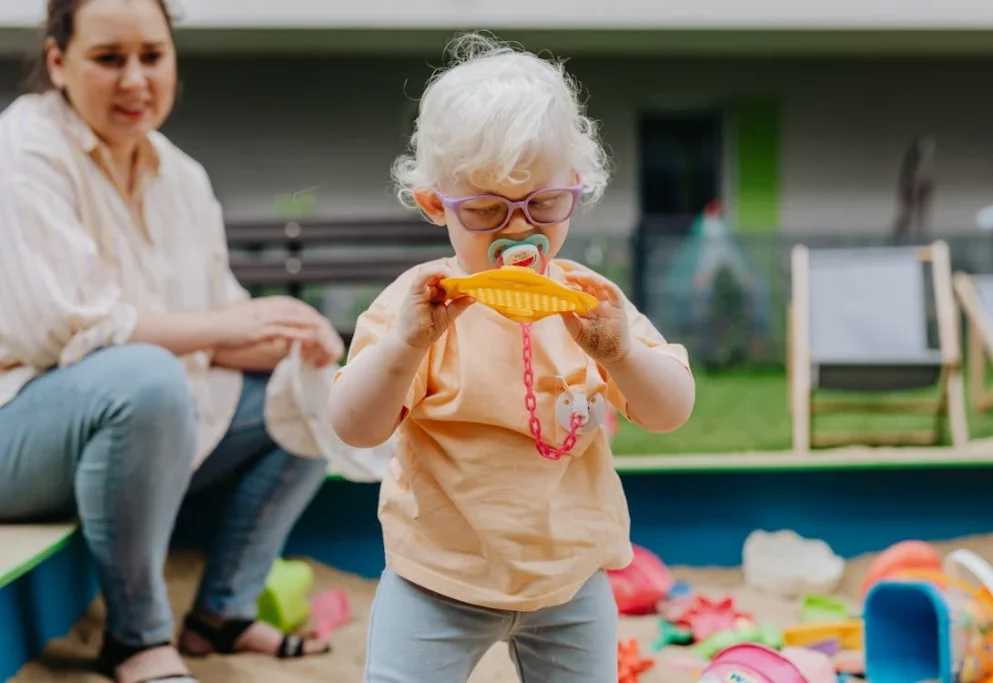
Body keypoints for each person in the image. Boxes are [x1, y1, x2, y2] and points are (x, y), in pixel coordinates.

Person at [329, 32, 697, 683]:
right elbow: (353, 424)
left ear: (577, 187)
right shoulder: (419, 307)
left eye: (545, 204)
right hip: (435, 580)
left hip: (569, 585)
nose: (519, 229)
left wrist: (619, 355)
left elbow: (671, 408)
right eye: (489, 210)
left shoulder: (589, 303)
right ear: (436, 204)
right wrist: (408, 344)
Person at [0, 0, 341, 681]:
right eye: (108, 58)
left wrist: (295, 337)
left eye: (151, 56)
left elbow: (216, 331)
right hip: (18, 424)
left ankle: (222, 612)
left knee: (314, 395)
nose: (135, 80)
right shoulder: (23, 148)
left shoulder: (182, 177)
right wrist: (224, 327)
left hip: (132, 418)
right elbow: (70, 328)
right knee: (148, 378)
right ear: (59, 62)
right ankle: (135, 636)